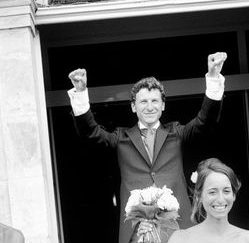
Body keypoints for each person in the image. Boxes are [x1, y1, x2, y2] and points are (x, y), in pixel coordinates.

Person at [67, 52, 227, 243]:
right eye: (143, 101)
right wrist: (80, 94)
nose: (149, 107)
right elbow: (90, 133)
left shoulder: (176, 133)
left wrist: (214, 78)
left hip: (179, 227)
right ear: (134, 107)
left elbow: (205, 121)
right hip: (137, 231)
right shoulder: (121, 137)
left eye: (154, 101)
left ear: (163, 106)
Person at [167, 157, 249, 243]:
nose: (220, 199)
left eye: (226, 191)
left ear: (233, 195)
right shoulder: (180, 239)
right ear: (199, 196)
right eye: (212, 192)